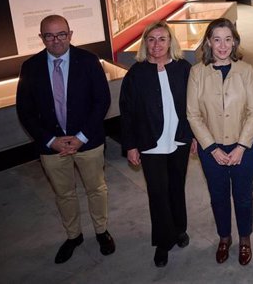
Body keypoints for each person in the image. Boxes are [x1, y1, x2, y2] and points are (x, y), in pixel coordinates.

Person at [16, 14, 115, 264]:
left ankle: (102, 231)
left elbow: (102, 101)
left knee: (97, 189)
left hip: (88, 142)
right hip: (52, 148)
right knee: (64, 194)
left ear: (70, 35)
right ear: (41, 38)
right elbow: (25, 111)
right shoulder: (30, 67)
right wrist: (51, 140)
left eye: (61, 34)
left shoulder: (89, 61)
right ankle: (74, 236)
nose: (56, 40)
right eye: (49, 35)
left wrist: (81, 137)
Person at [187, 18, 253, 266]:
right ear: (208, 41)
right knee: (218, 195)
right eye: (217, 39)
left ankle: (245, 239)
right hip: (212, 149)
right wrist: (211, 147)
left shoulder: (246, 70)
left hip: (244, 147)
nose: (222, 45)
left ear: (235, 41)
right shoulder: (197, 73)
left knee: (243, 195)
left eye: (228, 39)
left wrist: (241, 147)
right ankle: (224, 237)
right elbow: (193, 114)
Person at [119, 20, 193, 267]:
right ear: (145, 44)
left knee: (176, 188)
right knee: (158, 193)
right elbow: (126, 112)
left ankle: (179, 228)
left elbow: (194, 107)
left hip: (179, 140)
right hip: (150, 143)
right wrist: (130, 145)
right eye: (151, 39)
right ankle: (163, 241)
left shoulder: (183, 68)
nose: (157, 44)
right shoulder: (136, 74)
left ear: (171, 41)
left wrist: (193, 136)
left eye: (162, 39)